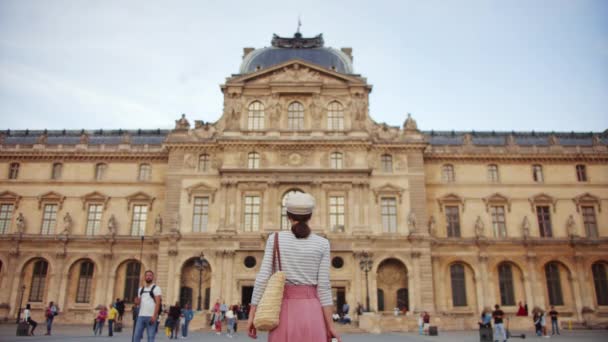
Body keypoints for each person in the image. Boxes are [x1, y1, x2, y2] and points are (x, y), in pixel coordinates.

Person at [246, 192, 342, 342]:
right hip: (313, 312)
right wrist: (330, 326)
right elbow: (324, 287)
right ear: (310, 216)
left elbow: (263, 278)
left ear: (288, 216)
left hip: (282, 310)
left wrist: (252, 313)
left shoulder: (275, 239)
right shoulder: (322, 243)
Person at [133, 270, 162, 342]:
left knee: (150, 337)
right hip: (141, 316)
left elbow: (158, 303)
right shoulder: (141, 289)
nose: (148, 277)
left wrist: (154, 316)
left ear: (153, 277)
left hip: (151, 316)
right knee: (136, 336)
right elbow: (138, 303)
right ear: (144, 277)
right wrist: (136, 301)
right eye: (147, 275)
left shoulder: (156, 288)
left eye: (150, 275)